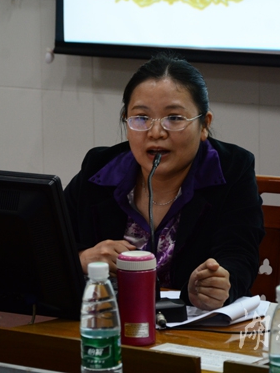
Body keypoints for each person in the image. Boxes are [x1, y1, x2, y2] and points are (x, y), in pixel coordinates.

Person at [64, 51, 264, 311]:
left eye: (174, 118)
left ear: (204, 125)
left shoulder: (232, 169)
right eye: (141, 118)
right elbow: (46, 245)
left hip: (194, 326)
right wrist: (81, 258)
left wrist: (216, 284)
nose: (156, 132)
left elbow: (239, 256)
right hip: (110, 321)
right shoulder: (99, 168)